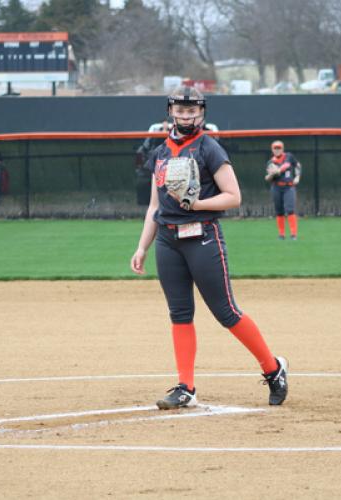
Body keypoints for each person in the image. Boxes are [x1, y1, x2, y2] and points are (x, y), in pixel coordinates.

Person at [130, 86, 288, 409]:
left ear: (201, 113)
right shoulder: (160, 154)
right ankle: (185, 387)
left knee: (226, 312)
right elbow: (153, 207)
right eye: (180, 110)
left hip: (202, 236)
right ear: (170, 112)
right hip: (168, 241)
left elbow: (234, 196)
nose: (186, 115)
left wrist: (198, 202)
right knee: (180, 314)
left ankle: (273, 369)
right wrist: (142, 247)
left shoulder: (209, 148)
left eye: (192, 110)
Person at [265, 140, 301, 240]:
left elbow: (297, 166)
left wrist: (297, 176)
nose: (277, 150)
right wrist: (272, 174)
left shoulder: (289, 156)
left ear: (282, 148)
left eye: (279, 148)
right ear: (272, 149)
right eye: (275, 148)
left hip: (289, 187)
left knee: (290, 209)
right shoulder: (271, 162)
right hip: (276, 187)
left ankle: (293, 234)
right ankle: (281, 235)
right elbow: (268, 178)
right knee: (279, 211)